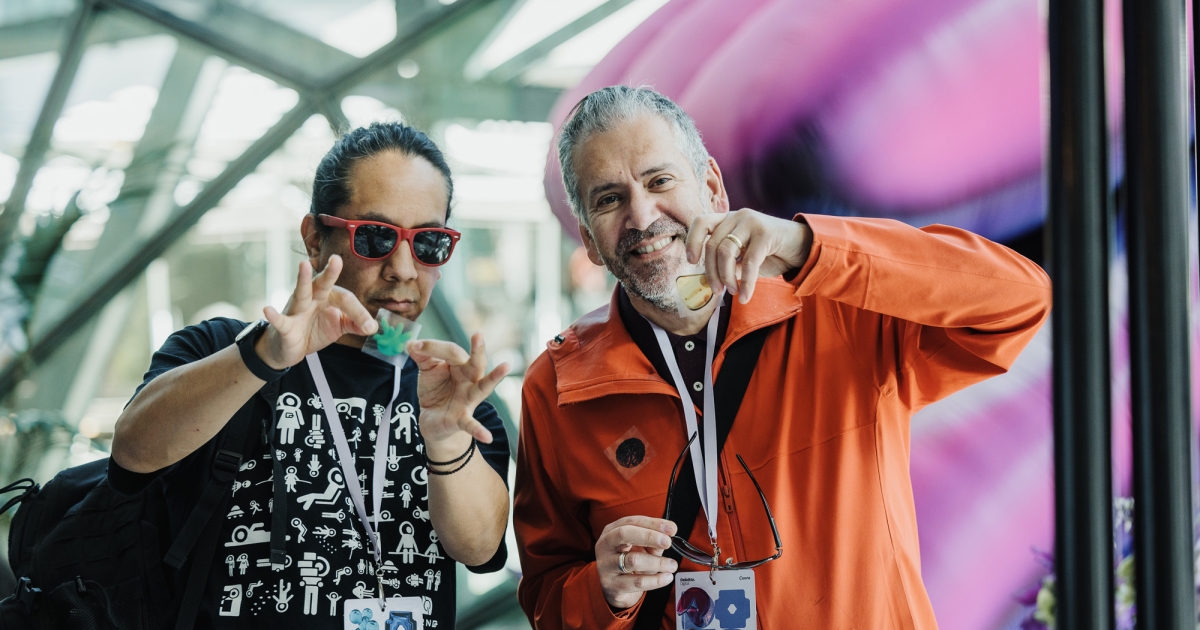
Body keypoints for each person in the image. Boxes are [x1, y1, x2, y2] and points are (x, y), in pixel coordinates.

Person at [513, 86, 1051, 628]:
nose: (642, 214)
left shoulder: (838, 308)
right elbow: (546, 599)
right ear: (586, 235)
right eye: (609, 199)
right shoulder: (556, 389)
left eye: (660, 181)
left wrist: (807, 247)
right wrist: (603, 591)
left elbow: (1018, 300)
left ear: (712, 188)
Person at [110, 122, 511, 628]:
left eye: (429, 241)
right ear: (315, 239)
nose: (404, 268)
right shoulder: (220, 351)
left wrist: (447, 439)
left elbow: (479, 548)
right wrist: (265, 356)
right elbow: (131, 453)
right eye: (375, 236)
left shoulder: (457, 401)